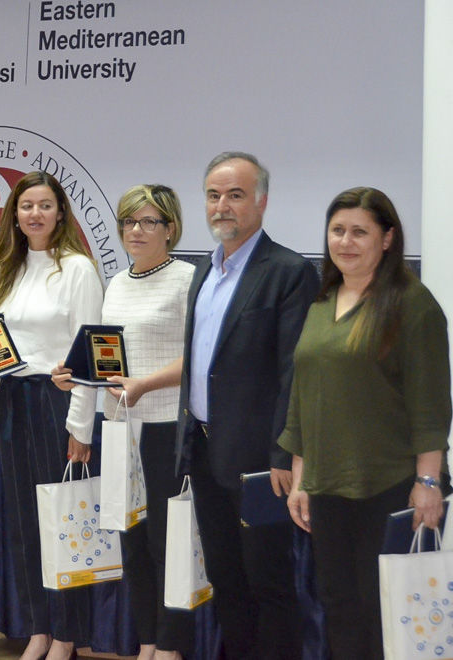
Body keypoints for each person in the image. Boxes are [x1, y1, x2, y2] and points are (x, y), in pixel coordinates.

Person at [280, 187, 450, 660]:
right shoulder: (322, 300)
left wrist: (428, 482)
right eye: (337, 230)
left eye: (360, 232)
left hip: (390, 487)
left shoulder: (413, 305)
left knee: (385, 609)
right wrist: (301, 477)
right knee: (338, 606)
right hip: (328, 486)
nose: (345, 242)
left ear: (388, 238)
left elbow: (431, 404)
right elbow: (302, 395)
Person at [176, 152, 319, 660]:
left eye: (235, 195)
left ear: (262, 201)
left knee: (268, 584)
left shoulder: (289, 272)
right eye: (214, 195)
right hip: (205, 454)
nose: (222, 206)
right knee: (226, 580)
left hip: (261, 464)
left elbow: (294, 375)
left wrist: (284, 455)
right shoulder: (203, 270)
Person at [53, 185, 195, 659]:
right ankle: (148, 643)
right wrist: (72, 374)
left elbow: (199, 357)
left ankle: (171, 648)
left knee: (165, 542)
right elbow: (105, 358)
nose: (136, 230)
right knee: (131, 543)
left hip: (165, 428)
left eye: (148, 221)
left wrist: (146, 384)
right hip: (118, 429)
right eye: (129, 221)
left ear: (170, 229)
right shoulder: (115, 283)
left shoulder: (187, 279)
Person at [0, 170, 103, 660]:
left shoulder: (77, 269)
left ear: (60, 213)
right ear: (15, 214)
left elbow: (88, 357)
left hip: (57, 404)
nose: (35, 214)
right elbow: (2, 343)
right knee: (23, 522)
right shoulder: (7, 269)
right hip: (12, 399)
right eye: (26, 205)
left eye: (45, 205)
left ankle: (66, 635)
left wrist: (80, 427)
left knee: (61, 521)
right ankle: (38, 629)